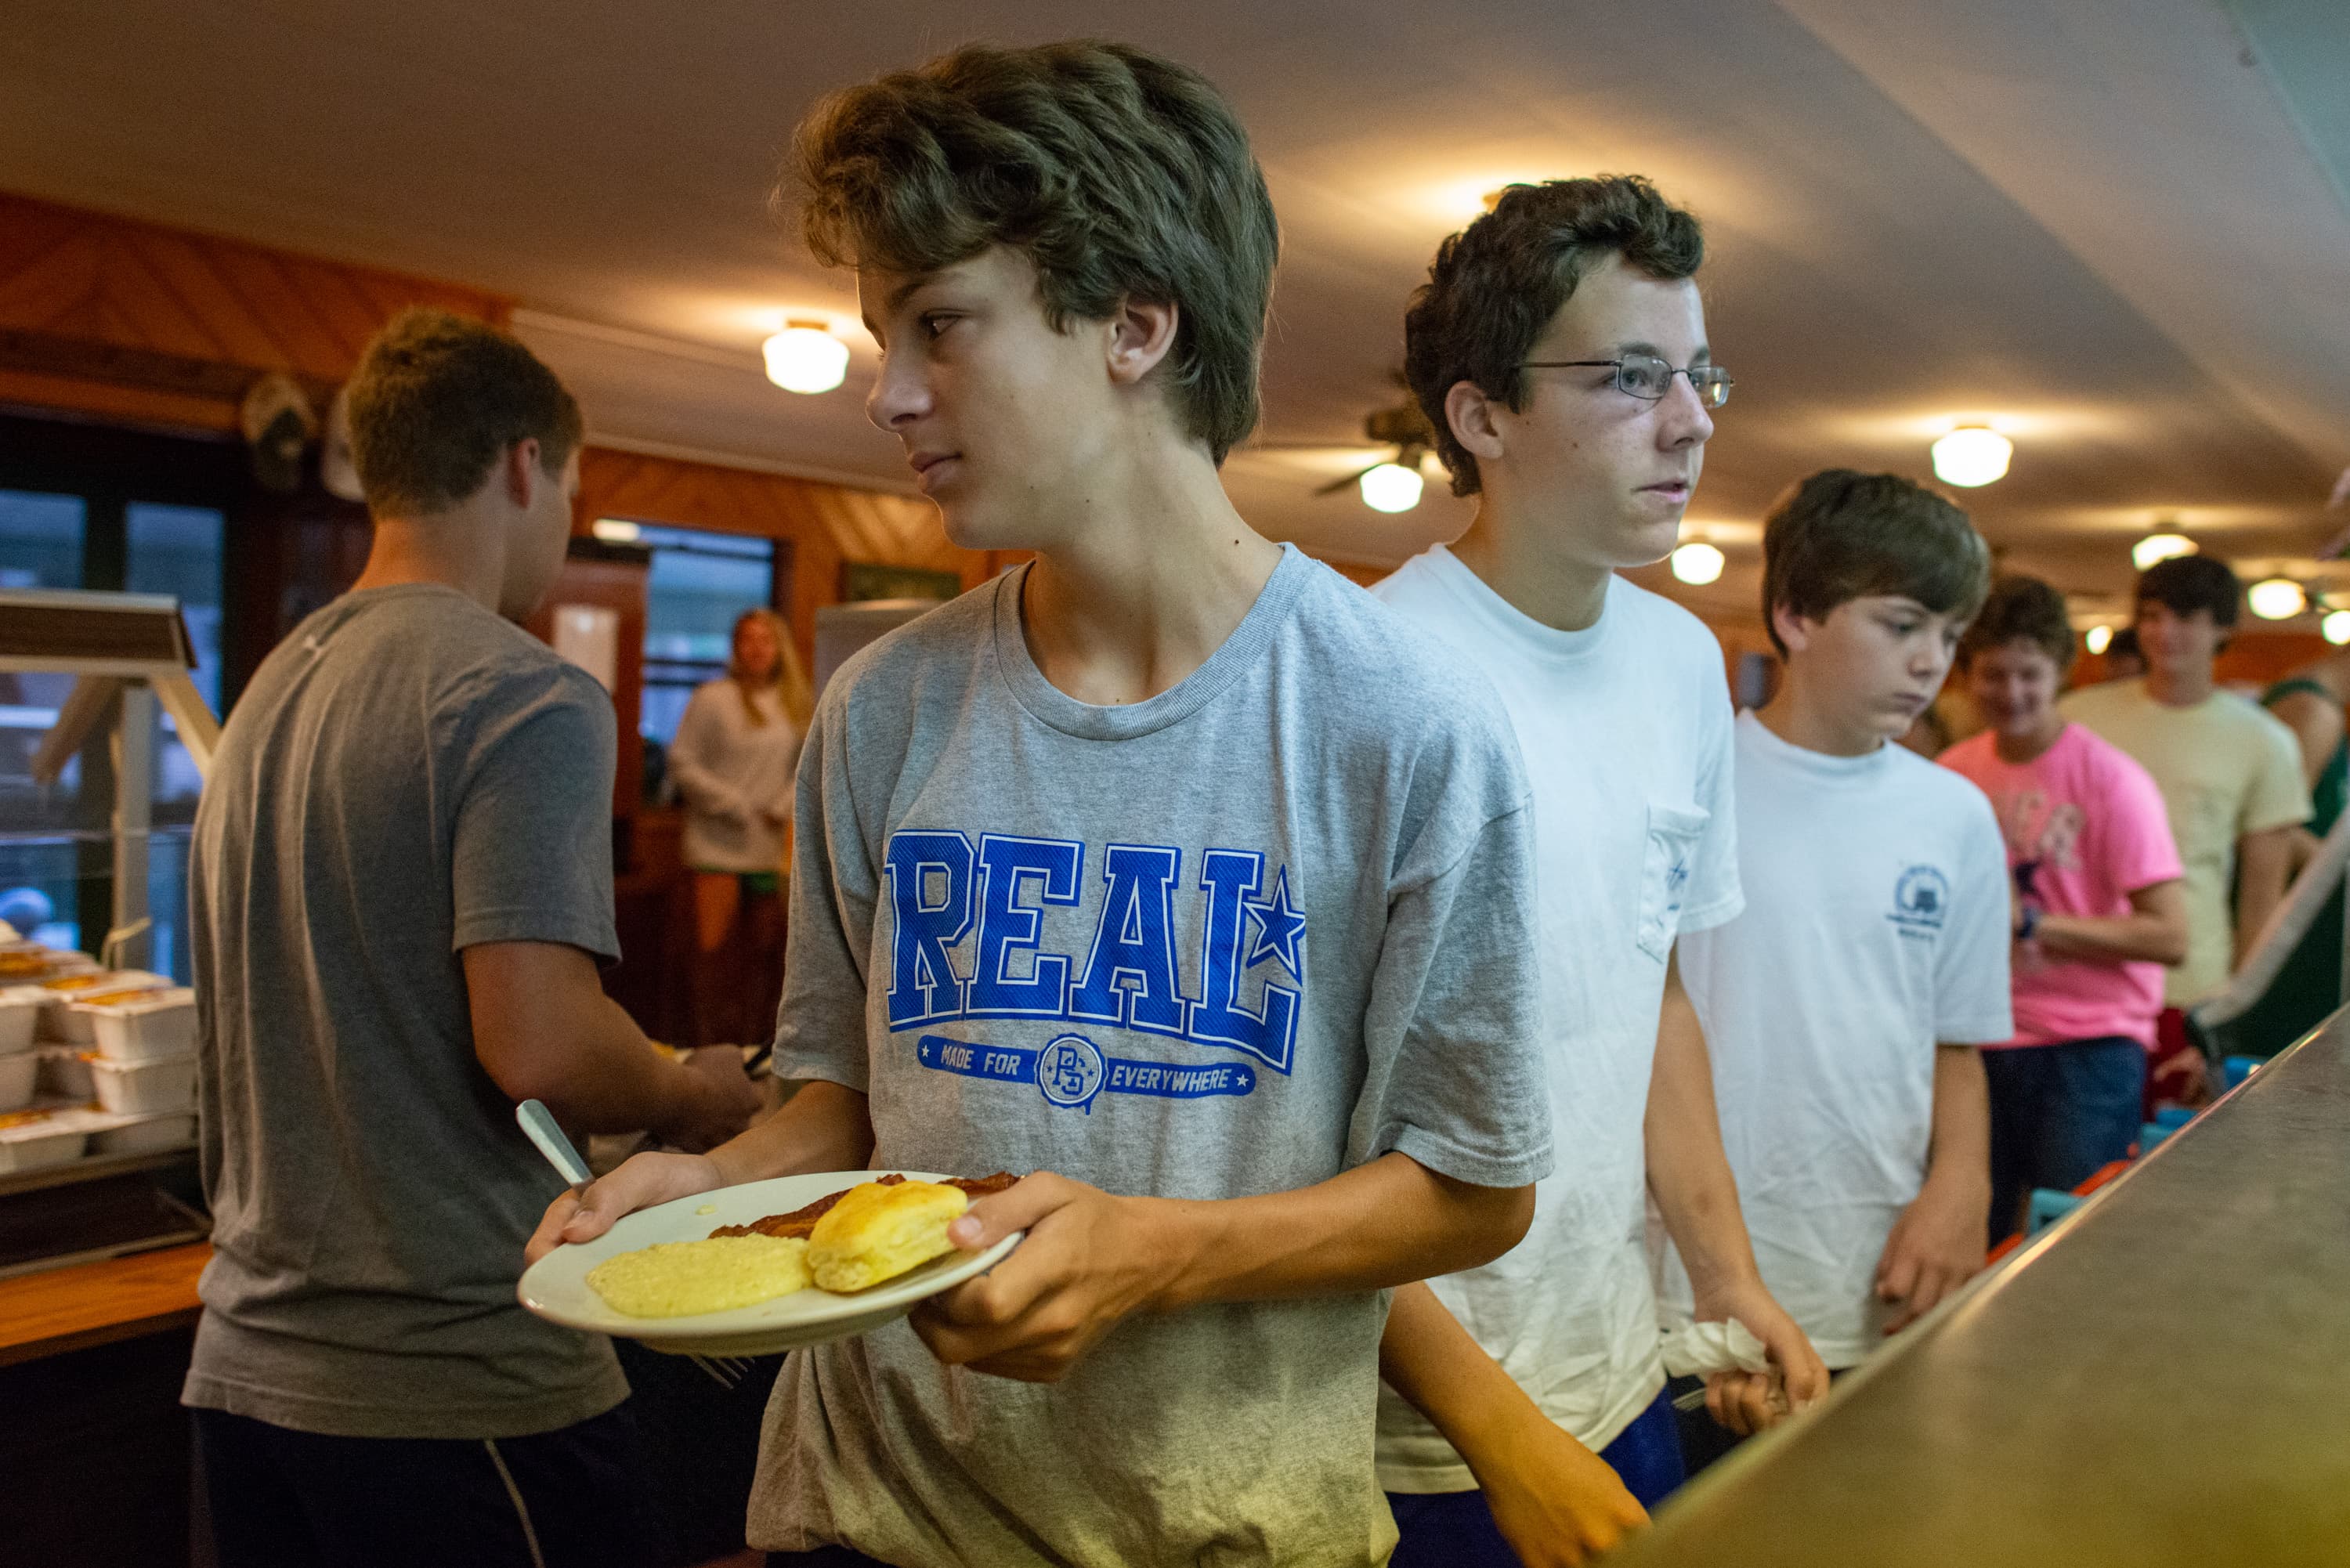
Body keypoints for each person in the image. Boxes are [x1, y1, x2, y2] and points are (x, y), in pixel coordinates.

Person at [532, 42, 1554, 1568]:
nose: (889, 393)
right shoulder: (885, 706)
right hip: (868, 1516)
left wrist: (1161, 1255)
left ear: (1137, 321)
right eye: (885, 336)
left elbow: (1471, 1191)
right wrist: (718, 1180)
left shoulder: (1400, 721)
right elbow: (836, 1098)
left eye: (940, 324)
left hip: (1219, 1525)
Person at [183, 309, 761, 1567]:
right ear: (520, 465)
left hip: (246, 1370)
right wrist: (684, 1085)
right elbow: (540, 1042)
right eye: (572, 485)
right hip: (450, 1374)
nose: (562, 523)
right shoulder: (522, 687)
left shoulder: (272, 681)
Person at [1368, 175, 1824, 1566]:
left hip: (1625, 1364)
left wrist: (1728, 1275)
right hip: (1419, 1430)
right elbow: (1286, 1130)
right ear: (1481, 414)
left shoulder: (1686, 660)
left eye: (1698, 375)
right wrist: (1498, 1435)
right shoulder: (1368, 674)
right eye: (1632, 377)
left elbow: (1656, 996)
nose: (1691, 420)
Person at [1659, 470, 2011, 1455]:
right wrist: (1709, 1290)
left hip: (1883, 1254)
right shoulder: (1700, 783)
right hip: (1701, 1267)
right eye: (1902, 625)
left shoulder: (1956, 814)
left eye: (1948, 633)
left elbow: (1957, 1039)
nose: (1932, 660)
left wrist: (1962, 1186)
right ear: (1796, 614)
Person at [1939, 577, 2187, 1241]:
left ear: (2061, 673)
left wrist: (2036, 925)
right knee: (1970, 1236)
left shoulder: (2112, 780)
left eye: (2030, 674)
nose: (2012, 693)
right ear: (1967, 674)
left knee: (2074, 1240)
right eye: (1994, 674)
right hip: (1978, 1038)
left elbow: (2170, 935)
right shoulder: (1954, 772)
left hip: (2089, 1045)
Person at [2060, 555, 2309, 1096]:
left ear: (2221, 627)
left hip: (2192, 987)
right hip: (2078, 978)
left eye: (2184, 617)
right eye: (2150, 615)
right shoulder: (2079, 717)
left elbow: (2261, 902)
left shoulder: (2264, 740)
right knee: (2076, 1176)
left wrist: (2232, 1017)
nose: (2163, 632)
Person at [669, 606, 814, 1046]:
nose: (756, 649)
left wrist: (784, 803)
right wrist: (729, 802)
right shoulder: (713, 698)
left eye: (765, 639)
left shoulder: (794, 702)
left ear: (779, 647)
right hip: (716, 852)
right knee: (714, 964)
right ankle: (709, 1053)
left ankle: (755, 1053)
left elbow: (807, 767)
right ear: (735, 648)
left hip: (767, 853)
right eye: (747, 639)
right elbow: (682, 762)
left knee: (765, 963)